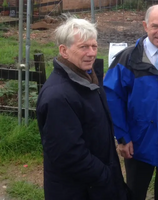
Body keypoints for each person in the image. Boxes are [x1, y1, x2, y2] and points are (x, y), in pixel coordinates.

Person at [103, 4, 158, 200]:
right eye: (155, 26)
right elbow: (113, 98)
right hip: (138, 142)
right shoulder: (128, 59)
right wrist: (122, 137)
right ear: (145, 26)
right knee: (135, 193)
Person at [36, 16, 131, 200]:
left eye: (94, 46)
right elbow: (68, 155)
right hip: (78, 189)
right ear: (64, 51)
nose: (91, 53)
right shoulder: (58, 96)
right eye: (83, 47)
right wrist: (104, 175)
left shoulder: (88, 79)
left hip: (92, 184)